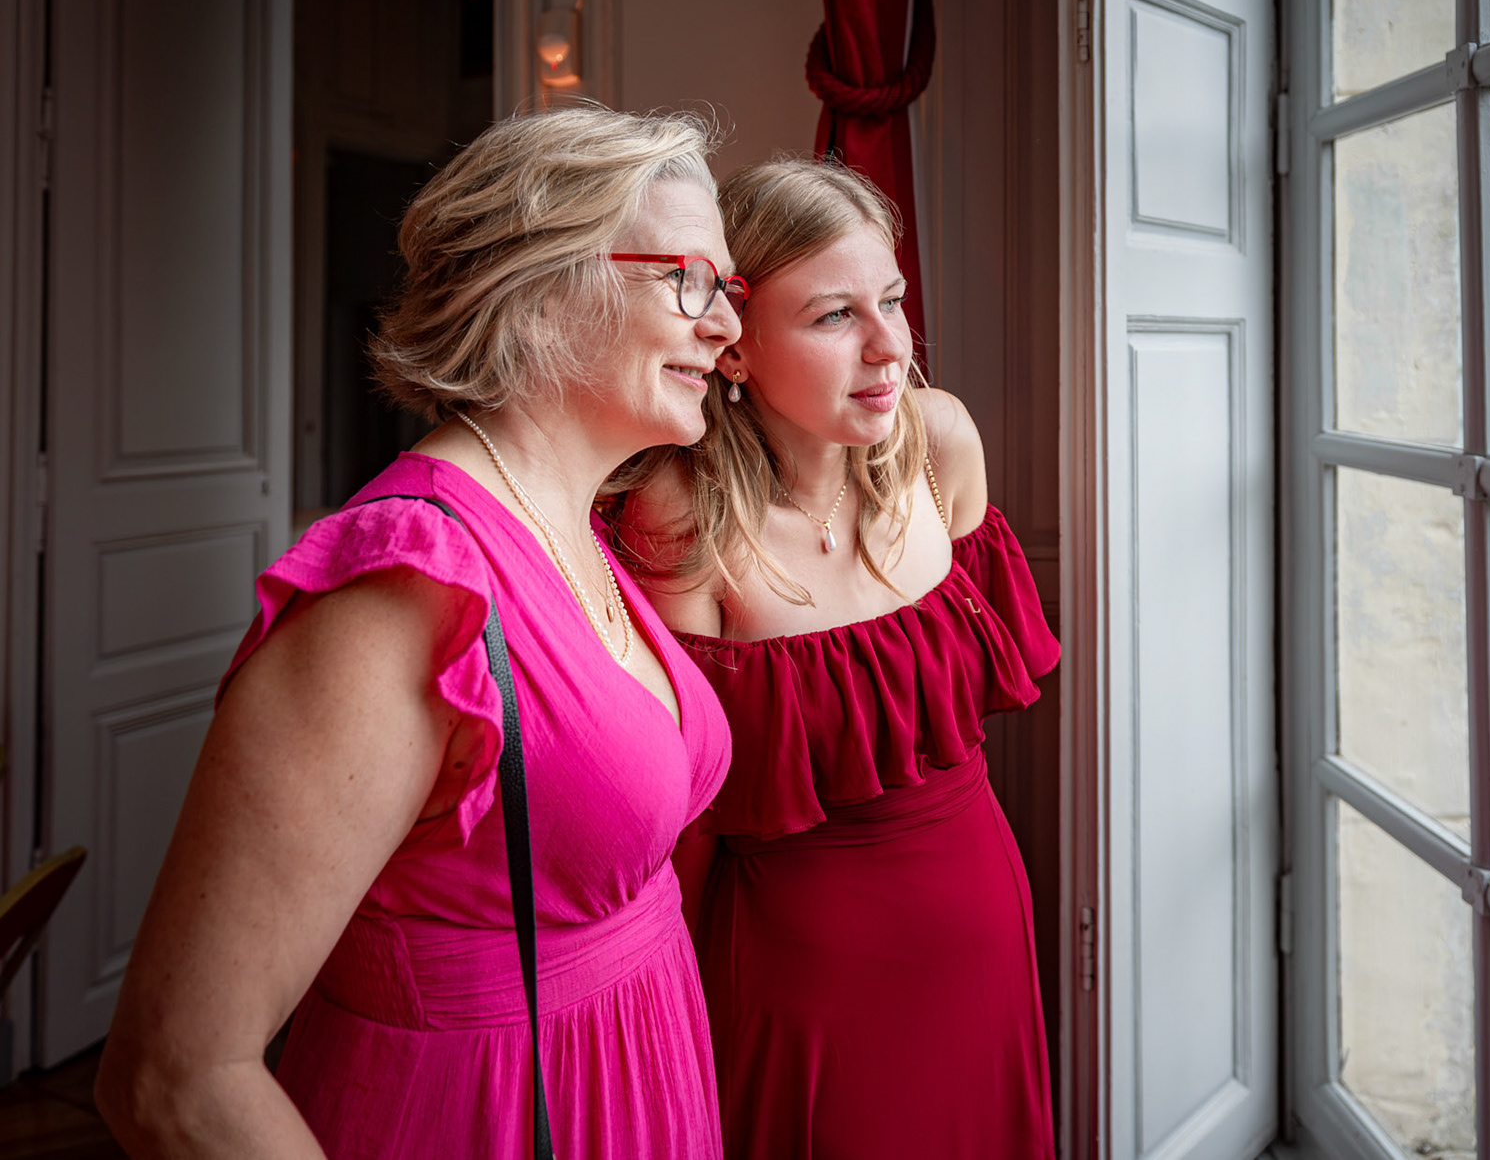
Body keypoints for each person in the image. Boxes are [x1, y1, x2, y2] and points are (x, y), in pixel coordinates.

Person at [95, 107, 744, 1159]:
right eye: (689, 280)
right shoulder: (403, 584)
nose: (724, 328)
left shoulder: (576, 526)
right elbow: (173, 1077)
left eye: (728, 289)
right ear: (542, 287)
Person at [612, 158, 1060, 1160]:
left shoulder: (941, 447)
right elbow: (682, 814)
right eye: (835, 316)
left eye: (892, 300)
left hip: (982, 926)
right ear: (734, 343)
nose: (890, 345)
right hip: (799, 971)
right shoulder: (682, 514)